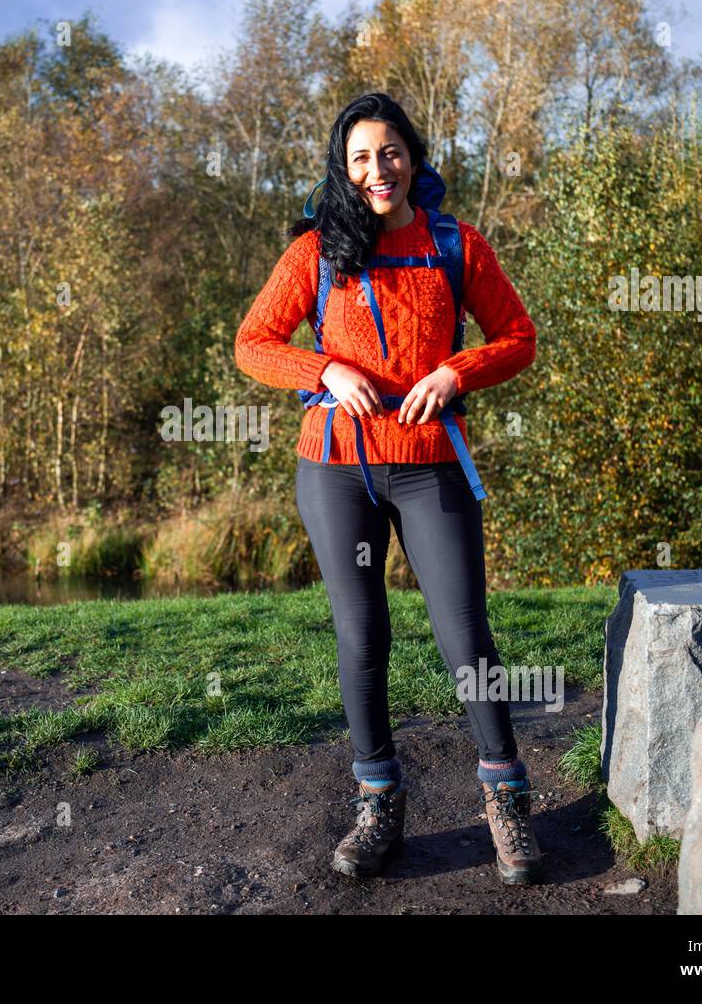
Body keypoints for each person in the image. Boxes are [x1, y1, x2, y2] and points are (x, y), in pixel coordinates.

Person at [233, 92, 543, 883]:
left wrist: (456, 369)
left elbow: (519, 337)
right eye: (363, 156)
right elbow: (253, 344)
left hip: (431, 464)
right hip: (336, 467)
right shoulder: (316, 252)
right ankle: (379, 803)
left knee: (463, 633)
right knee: (362, 636)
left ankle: (506, 799)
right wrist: (323, 368)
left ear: (415, 156)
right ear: (344, 167)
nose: (380, 169)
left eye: (392, 152)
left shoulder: (455, 244)